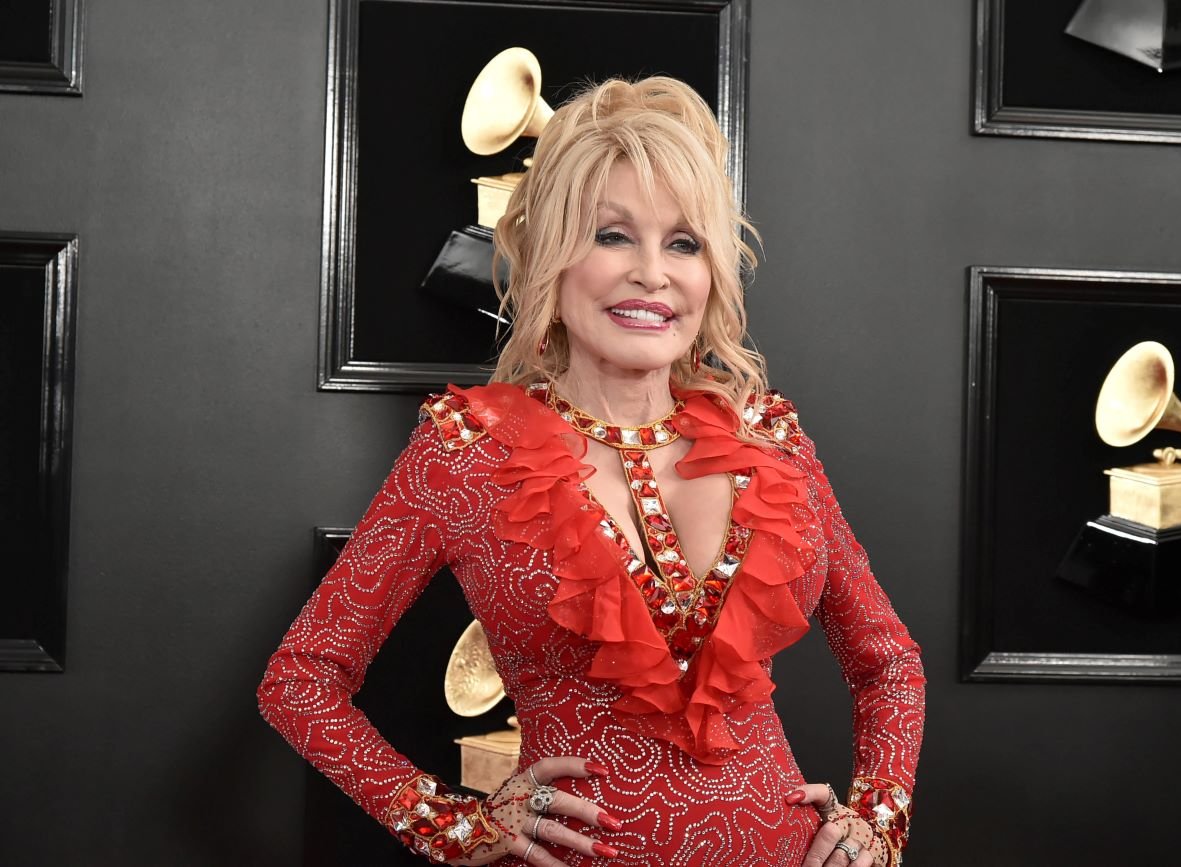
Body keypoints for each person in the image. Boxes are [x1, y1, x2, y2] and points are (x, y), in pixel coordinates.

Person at [258, 76, 924, 867]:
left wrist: (878, 816)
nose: (653, 273)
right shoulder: (465, 452)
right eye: (613, 235)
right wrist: (447, 821)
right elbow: (300, 678)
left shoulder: (771, 440)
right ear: (550, 256)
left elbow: (890, 662)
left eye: (684, 243)